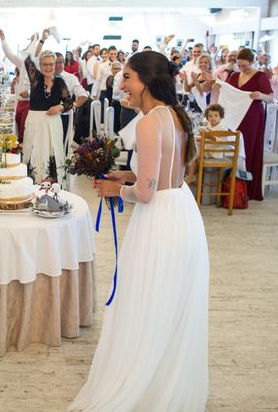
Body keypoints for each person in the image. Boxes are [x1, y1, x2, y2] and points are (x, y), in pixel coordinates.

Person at [69, 51, 208, 412]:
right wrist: (127, 176)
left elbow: (146, 193)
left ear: (146, 80)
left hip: (160, 219)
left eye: (128, 77)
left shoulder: (148, 123)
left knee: (148, 299)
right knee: (167, 302)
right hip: (181, 209)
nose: (122, 83)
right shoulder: (174, 115)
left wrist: (119, 190)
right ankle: (167, 384)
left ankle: (144, 388)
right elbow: (167, 175)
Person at [0, 27, 73, 186]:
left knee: (53, 152)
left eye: (51, 64)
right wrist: (38, 40)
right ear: (40, 65)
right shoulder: (35, 79)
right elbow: (26, 57)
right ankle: (32, 185)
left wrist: (60, 108)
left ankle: (54, 184)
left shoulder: (60, 81)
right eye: (45, 64)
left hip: (53, 122)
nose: (48, 67)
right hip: (35, 122)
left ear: (55, 64)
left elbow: (69, 102)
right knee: (33, 152)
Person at [219, 48, 274, 201]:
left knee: (248, 148)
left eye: (245, 66)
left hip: (253, 116)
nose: (242, 68)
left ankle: (247, 188)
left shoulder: (260, 76)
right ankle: (232, 184)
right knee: (234, 147)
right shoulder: (235, 75)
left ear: (252, 62)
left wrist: (260, 95)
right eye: (240, 65)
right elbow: (229, 92)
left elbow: (271, 97)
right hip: (236, 115)